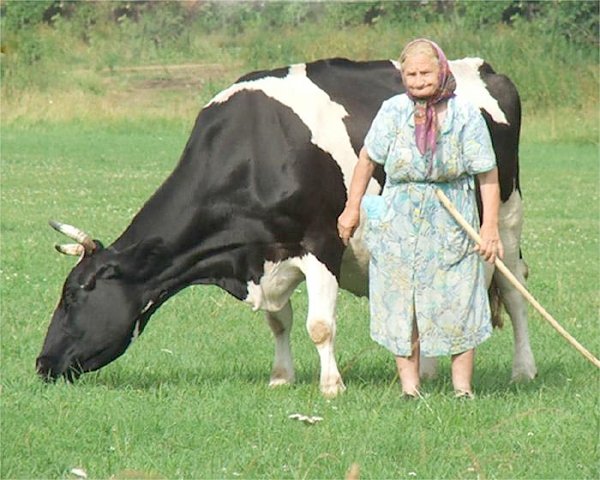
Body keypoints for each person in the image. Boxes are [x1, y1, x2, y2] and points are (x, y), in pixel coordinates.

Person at [337, 38, 503, 399]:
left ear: (441, 71)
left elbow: (487, 174)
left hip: (451, 217)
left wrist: (490, 228)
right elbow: (367, 160)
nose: (417, 80)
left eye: (425, 72)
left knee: (460, 299)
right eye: (410, 73)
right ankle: (409, 389)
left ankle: (462, 390)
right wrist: (352, 207)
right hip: (399, 217)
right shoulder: (393, 111)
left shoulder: (465, 114)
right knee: (401, 301)